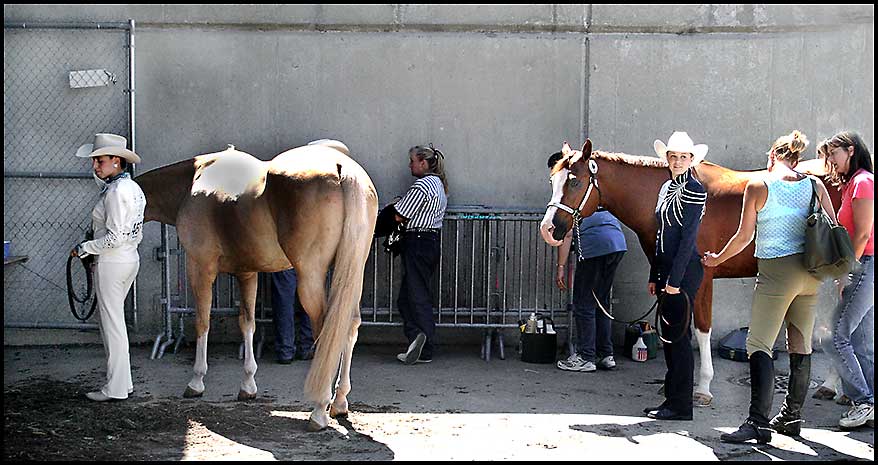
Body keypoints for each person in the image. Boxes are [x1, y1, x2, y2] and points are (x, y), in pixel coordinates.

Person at [704, 130, 836, 443]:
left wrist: (717, 259)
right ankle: (791, 416)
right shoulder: (815, 184)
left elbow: (744, 236)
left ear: (772, 157)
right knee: (800, 345)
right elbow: (832, 227)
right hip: (810, 274)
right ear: (797, 158)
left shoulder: (759, 185)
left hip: (777, 271)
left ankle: (758, 422)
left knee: (759, 343)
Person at [71, 133, 146, 402]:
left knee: (112, 326)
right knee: (115, 325)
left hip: (113, 262)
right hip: (128, 260)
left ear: (117, 160)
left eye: (100, 161)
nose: (95, 166)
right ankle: (122, 384)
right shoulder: (133, 189)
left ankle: (115, 388)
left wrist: (84, 248)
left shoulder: (115, 192)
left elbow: (115, 237)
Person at [643, 131, 708, 421]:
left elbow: (686, 238)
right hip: (667, 271)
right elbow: (660, 235)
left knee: (678, 340)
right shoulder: (666, 186)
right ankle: (671, 400)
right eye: (674, 156)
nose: (679, 161)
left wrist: (674, 281)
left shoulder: (694, 188)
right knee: (669, 338)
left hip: (683, 272)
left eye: (684, 157)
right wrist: (655, 274)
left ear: (692, 159)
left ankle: (681, 406)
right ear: (667, 159)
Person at [547, 152, 627, 373]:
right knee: (601, 301)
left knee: (583, 302)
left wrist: (561, 267)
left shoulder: (571, 195)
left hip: (594, 248)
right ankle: (606, 353)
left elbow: (568, 234)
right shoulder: (590, 187)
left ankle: (586, 356)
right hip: (617, 244)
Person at [822, 131, 874, 429]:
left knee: (833, 337)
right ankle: (870, 400)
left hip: (864, 265)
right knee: (862, 342)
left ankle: (863, 401)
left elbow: (864, 233)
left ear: (850, 150)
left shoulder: (863, 182)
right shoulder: (855, 183)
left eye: (834, 154)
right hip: (865, 265)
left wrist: (846, 271)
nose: (831, 160)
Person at [392, 144, 448, 365]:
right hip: (429, 241)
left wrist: (393, 206)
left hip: (417, 242)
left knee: (415, 296)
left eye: (413, 161)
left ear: (423, 163)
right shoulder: (439, 185)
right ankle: (418, 339)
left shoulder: (422, 185)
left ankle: (423, 344)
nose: (410, 165)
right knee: (410, 297)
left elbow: (400, 215)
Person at [270, 268, 314, 364]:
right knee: (309, 294)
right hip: (308, 255)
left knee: (283, 297)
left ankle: (285, 350)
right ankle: (307, 347)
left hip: (284, 258)